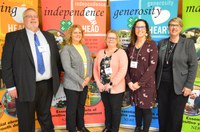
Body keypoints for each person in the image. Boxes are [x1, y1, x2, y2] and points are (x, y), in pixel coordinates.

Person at [2, 8, 61, 132]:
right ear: (24, 20)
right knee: (26, 119)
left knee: (45, 115)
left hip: (47, 84)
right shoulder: (13, 37)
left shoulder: (49, 36)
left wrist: (57, 78)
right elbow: (6, 63)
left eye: (35, 16)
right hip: (23, 86)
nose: (33, 18)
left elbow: (56, 59)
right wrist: (11, 86)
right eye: (29, 16)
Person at [156, 17, 198, 132]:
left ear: (180, 28)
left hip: (180, 87)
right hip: (162, 86)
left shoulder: (187, 43)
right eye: (171, 25)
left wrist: (189, 85)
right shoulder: (162, 43)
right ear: (168, 28)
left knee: (175, 117)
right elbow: (157, 65)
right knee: (163, 114)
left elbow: (193, 65)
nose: (174, 27)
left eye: (176, 25)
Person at [126, 19, 158, 132]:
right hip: (132, 84)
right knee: (137, 107)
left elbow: (152, 67)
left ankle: (145, 129)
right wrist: (129, 82)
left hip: (146, 83)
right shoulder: (131, 46)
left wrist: (139, 83)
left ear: (146, 30)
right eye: (137, 27)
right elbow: (127, 66)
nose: (139, 29)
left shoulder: (152, 44)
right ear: (134, 30)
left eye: (142, 27)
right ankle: (138, 127)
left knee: (146, 109)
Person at [93, 30, 128, 132]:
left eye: (113, 38)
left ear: (117, 40)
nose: (111, 40)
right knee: (107, 109)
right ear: (106, 40)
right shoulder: (100, 53)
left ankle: (114, 129)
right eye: (109, 38)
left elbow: (123, 70)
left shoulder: (121, 53)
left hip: (116, 88)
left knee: (115, 110)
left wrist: (111, 84)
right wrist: (99, 84)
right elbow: (95, 69)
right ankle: (107, 127)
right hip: (103, 88)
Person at [60, 24, 92, 132]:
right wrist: (81, 81)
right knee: (72, 109)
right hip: (71, 84)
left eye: (79, 32)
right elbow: (67, 68)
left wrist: (89, 77)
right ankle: (71, 128)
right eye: (75, 32)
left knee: (81, 107)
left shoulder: (85, 47)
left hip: (84, 83)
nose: (78, 35)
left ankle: (81, 126)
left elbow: (90, 64)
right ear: (70, 35)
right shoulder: (66, 49)